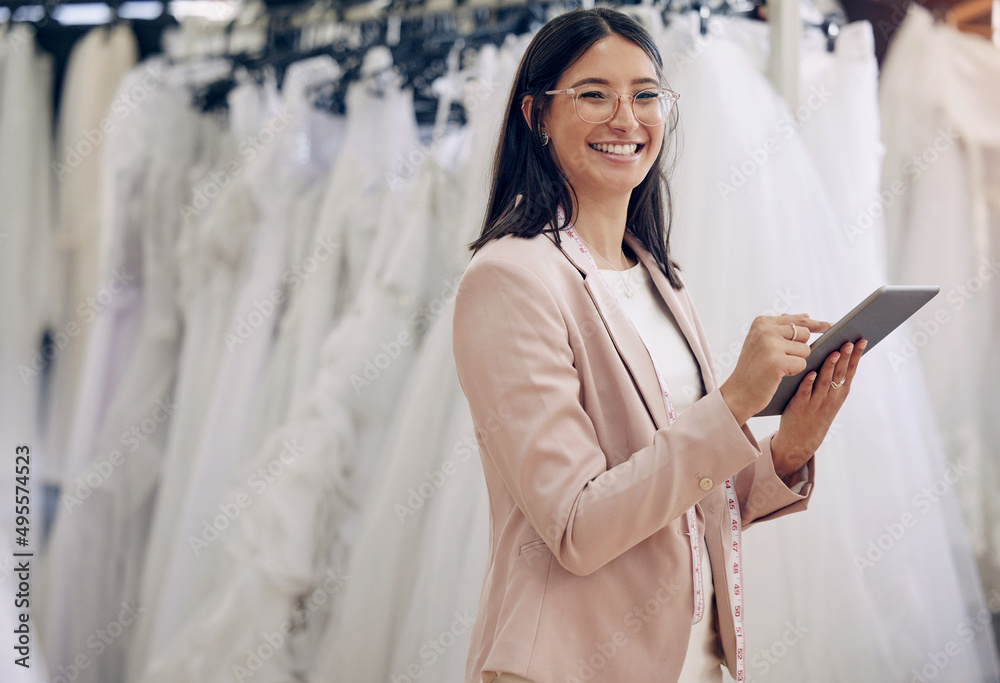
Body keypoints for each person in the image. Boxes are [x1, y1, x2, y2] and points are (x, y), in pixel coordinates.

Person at [451, 8, 865, 683]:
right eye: (594, 95)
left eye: (646, 94)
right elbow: (580, 524)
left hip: (690, 660)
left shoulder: (657, 276)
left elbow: (686, 498)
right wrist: (732, 400)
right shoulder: (510, 278)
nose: (626, 117)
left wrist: (790, 446)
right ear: (536, 114)